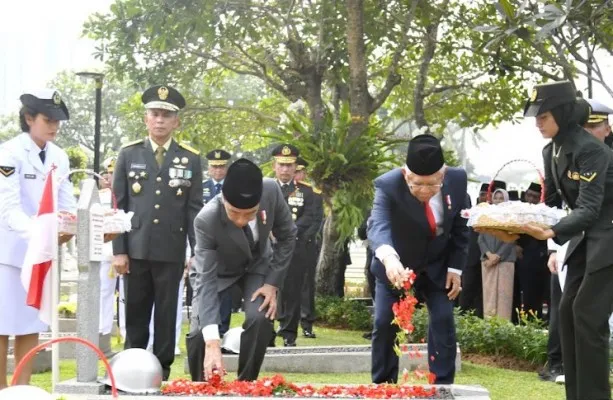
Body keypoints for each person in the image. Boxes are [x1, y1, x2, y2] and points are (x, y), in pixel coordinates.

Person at [514, 80, 613, 400]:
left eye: (543, 116)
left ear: (561, 113)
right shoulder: (551, 150)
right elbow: (554, 204)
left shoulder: (592, 149)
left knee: (588, 313)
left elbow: (588, 208)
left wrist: (553, 233)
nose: (537, 123)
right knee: (569, 312)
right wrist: (519, 220)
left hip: (607, 236)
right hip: (585, 238)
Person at [112, 84, 203, 380]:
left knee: (166, 312)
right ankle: (131, 367)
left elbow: (194, 209)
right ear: (145, 118)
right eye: (155, 113)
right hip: (136, 248)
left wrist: (196, 252)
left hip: (171, 248)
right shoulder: (128, 154)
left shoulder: (190, 158)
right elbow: (119, 207)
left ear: (176, 121)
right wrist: (120, 250)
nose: (160, 120)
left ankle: (161, 369)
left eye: (167, 115)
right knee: (136, 311)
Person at [367, 134, 469, 384]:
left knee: (443, 320)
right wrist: (390, 260)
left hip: (438, 267)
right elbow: (378, 226)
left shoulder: (457, 180)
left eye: (432, 185)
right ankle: (382, 385)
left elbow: (461, 228)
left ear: (443, 175)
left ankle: (443, 386)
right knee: (383, 323)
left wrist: (456, 268)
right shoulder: (387, 185)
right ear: (405, 174)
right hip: (397, 267)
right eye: (416, 184)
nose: (424, 191)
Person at [187, 158, 297, 382]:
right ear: (224, 200)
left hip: (256, 268)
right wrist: (213, 342)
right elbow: (206, 280)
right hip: (217, 273)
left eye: (250, 214)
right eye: (234, 213)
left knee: (260, 317)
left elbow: (287, 236)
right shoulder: (206, 220)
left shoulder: (271, 190)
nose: (240, 220)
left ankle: (247, 385)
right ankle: (199, 387)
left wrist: (272, 283)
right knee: (201, 330)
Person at [0, 89, 76, 388]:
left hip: (42, 254)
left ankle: (22, 387)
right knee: (2, 323)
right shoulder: (9, 153)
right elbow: (8, 209)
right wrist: (40, 233)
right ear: (29, 118)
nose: (54, 126)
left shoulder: (59, 156)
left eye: (58, 120)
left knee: (30, 323)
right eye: (48, 119)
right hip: (8, 251)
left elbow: (67, 203)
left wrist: (69, 227)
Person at [272, 145, 322, 346]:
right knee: (268, 290)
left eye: (289, 165)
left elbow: (310, 217)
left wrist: (286, 231)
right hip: (269, 249)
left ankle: (288, 334)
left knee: (292, 292)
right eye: (281, 165)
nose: (285, 169)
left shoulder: (307, 192)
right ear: (274, 166)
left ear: (295, 167)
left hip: (295, 247)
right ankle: (266, 332)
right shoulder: (265, 187)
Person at [296, 157, 324, 339]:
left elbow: (316, 220)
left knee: (306, 286)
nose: (296, 174)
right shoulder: (278, 189)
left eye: (299, 171)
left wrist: (301, 238)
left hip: (305, 244)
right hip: (283, 244)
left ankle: (307, 323)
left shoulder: (314, 193)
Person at [478, 189, 517, 320]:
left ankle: (503, 330)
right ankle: (489, 329)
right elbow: (480, 238)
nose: (498, 201)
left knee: (503, 298)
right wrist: (489, 255)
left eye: (501, 198)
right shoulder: (486, 216)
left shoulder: (511, 217)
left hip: (505, 261)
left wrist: (497, 256)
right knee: (488, 296)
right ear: (492, 199)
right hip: (487, 262)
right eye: (496, 198)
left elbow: (511, 240)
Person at [99, 157, 118, 357]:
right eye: (110, 173)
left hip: (129, 253)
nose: (112, 177)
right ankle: (102, 341)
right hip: (105, 253)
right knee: (104, 296)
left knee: (127, 301)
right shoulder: (101, 196)